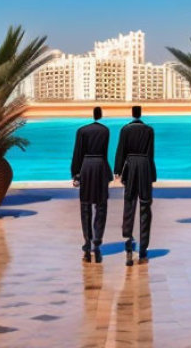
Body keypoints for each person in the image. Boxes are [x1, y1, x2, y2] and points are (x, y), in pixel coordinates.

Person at [113, 105, 156, 266]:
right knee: (145, 207)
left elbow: (121, 151)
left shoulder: (125, 130)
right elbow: (151, 153)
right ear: (141, 114)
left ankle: (129, 245)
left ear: (132, 114)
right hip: (144, 167)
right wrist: (152, 173)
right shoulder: (149, 130)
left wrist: (117, 170)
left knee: (129, 205)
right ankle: (143, 250)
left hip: (130, 167)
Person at [70, 106, 113, 263]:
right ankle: (97, 242)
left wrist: (75, 174)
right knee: (101, 207)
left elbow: (77, 153)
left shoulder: (82, 131)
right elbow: (105, 153)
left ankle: (87, 244)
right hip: (101, 167)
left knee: (85, 207)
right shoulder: (105, 131)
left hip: (86, 167)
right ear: (100, 115)